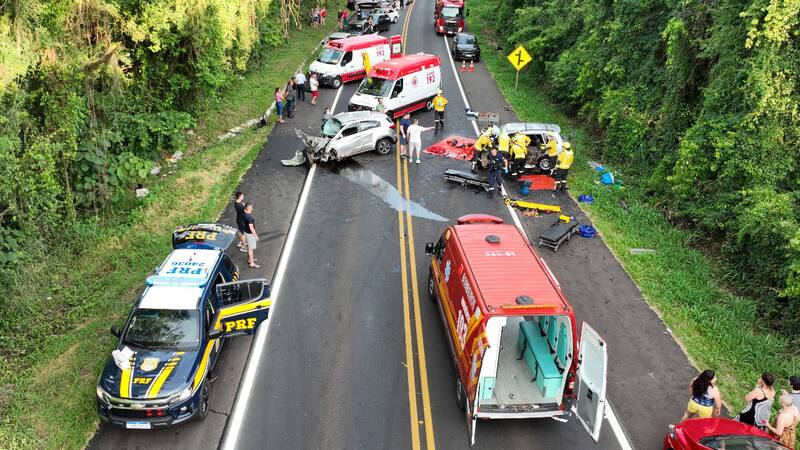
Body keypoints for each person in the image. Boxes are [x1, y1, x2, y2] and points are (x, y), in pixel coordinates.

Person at [242, 203, 260, 269]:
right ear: (249, 208)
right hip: (250, 234)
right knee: (250, 248)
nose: (252, 208)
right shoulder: (250, 218)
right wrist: (255, 236)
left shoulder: (244, 214)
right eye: (251, 207)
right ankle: (252, 263)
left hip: (245, 231)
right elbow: (251, 228)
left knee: (249, 247)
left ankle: (250, 259)